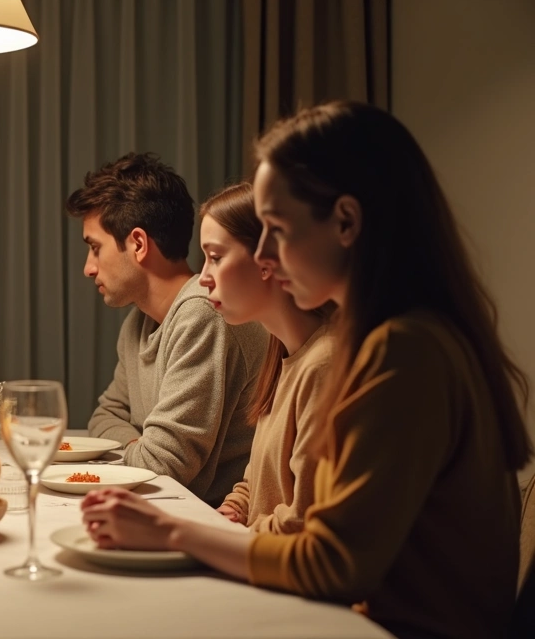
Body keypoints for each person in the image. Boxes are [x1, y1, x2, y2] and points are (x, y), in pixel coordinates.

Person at [80, 101, 531, 638]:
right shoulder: (389, 339)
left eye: (276, 227)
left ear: (345, 221)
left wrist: (173, 531)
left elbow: (334, 565)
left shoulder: (403, 350)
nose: (265, 252)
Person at [65, 153, 270, 505]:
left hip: (208, 526)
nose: (88, 268)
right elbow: (105, 414)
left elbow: (162, 464)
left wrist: (135, 449)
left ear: (139, 244)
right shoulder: (138, 323)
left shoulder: (202, 314)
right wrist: (136, 446)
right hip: (163, 511)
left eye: (95, 249)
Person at [196, 183, 333, 533]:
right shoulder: (282, 356)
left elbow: (304, 520)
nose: (203, 278)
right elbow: (260, 480)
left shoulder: (323, 365)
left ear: (267, 261)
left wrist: (215, 539)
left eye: (215, 257)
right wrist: (234, 509)